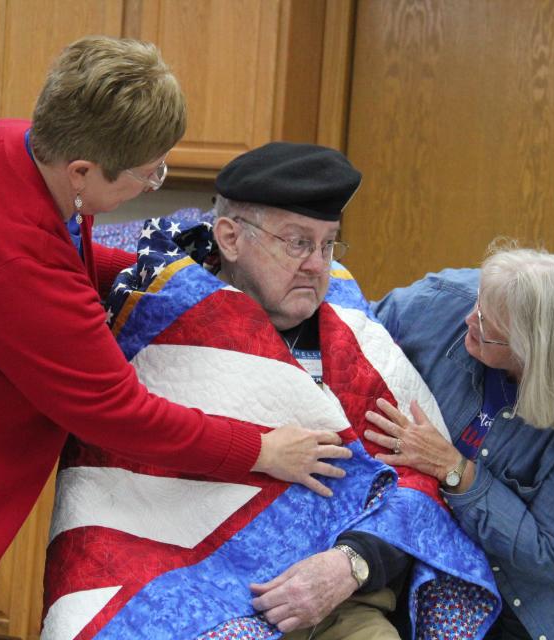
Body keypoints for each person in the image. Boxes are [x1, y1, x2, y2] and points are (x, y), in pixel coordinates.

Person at [0, 37, 349, 640]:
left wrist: (173, 281)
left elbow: (65, 255)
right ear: (82, 172)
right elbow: (116, 411)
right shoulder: (11, 262)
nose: (153, 186)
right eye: (149, 175)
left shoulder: (1, 144)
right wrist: (261, 450)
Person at [42, 143, 500, 640]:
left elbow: (412, 481)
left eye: (328, 245)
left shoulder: (355, 333)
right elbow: (122, 479)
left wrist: (352, 564)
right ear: (230, 237)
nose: (316, 265)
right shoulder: (161, 317)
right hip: (189, 592)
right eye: (297, 242)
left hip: (345, 598)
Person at [364, 245, 554, 640]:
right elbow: (355, 333)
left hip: (537, 595)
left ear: (536, 356)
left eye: (487, 327)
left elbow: (549, 551)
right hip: (428, 551)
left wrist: (454, 469)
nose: (469, 319)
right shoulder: (453, 300)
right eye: (479, 305)